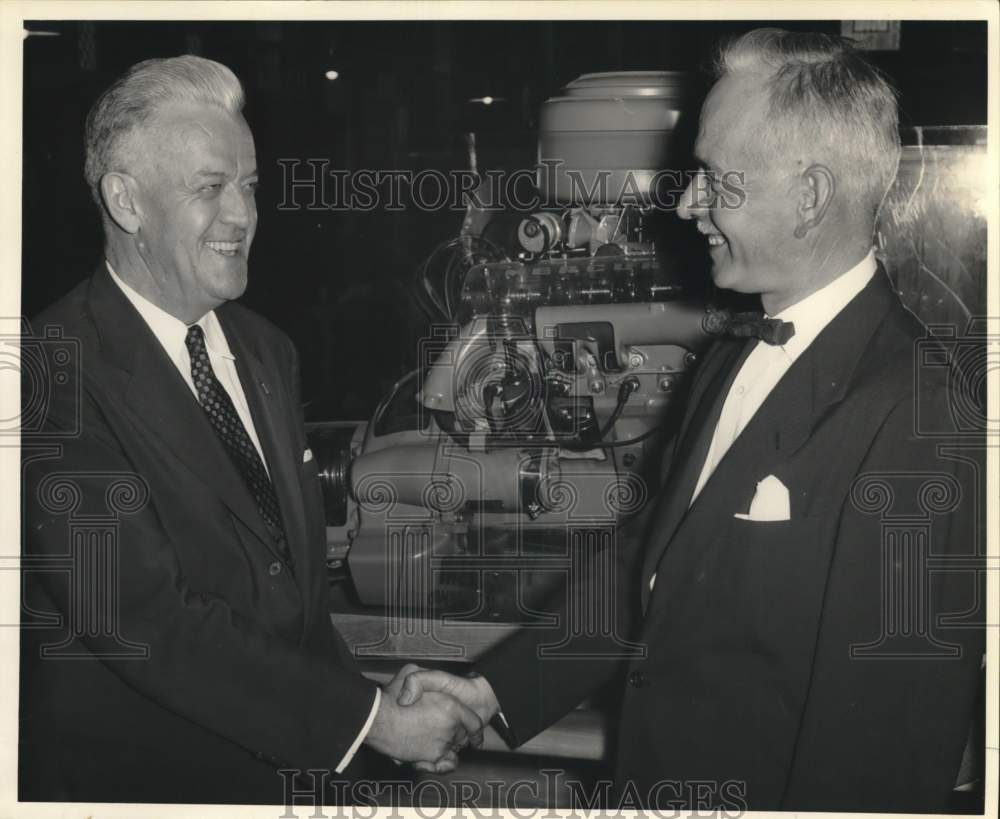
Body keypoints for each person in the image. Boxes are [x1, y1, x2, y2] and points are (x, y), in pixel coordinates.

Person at [396, 28, 985, 812]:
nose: (685, 202)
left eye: (713, 178)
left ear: (808, 195)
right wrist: (485, 692)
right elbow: (653, 566)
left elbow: (882, 747)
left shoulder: (915, 410)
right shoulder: (728, 358)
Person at [19, 55, 481, 805]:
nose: (243, 214)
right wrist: (370, 723)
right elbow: (147, 619)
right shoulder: (48, 372)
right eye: (210, 188)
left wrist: (364, 707)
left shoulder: (266, 348)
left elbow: (283, 602)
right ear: (126, 200)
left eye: (250, 185)